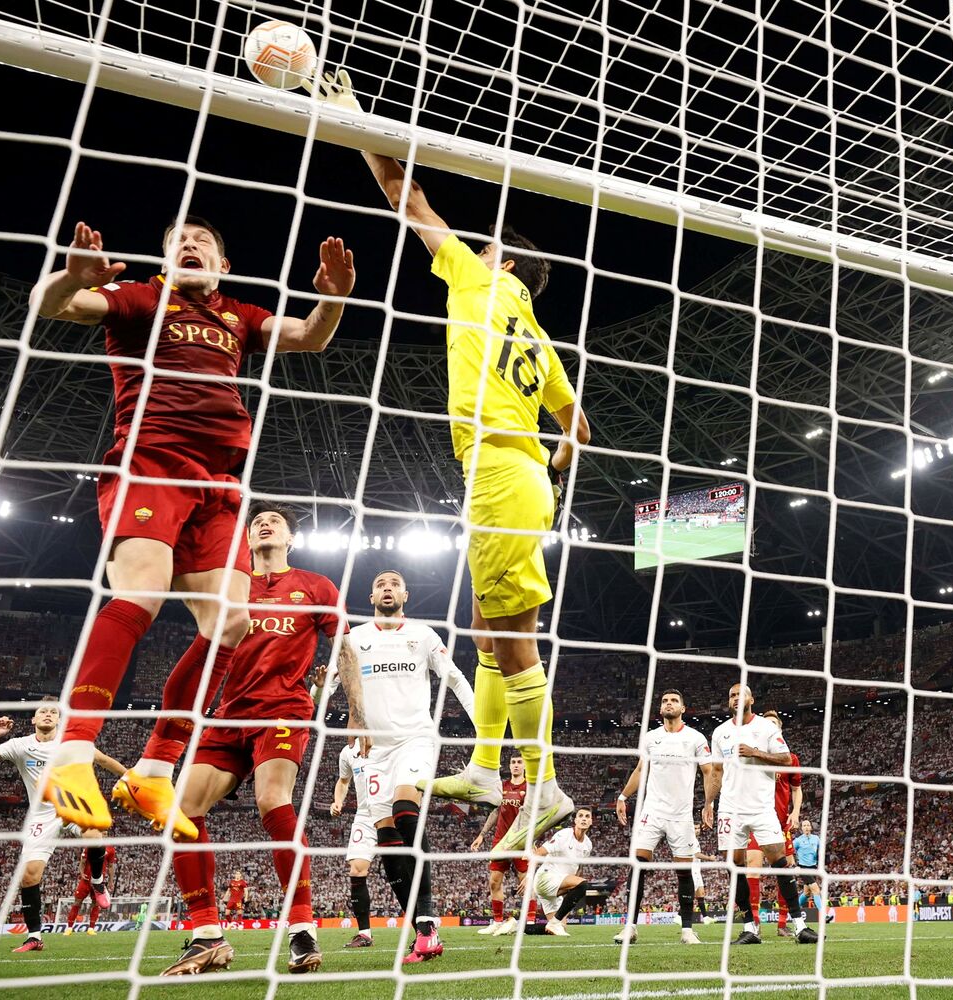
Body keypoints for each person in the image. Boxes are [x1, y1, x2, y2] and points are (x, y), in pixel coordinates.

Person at [312, 72, 592, 845]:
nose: (477, 248)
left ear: (504, 263)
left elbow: (407, 198)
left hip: (499, 472)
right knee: (482, 627)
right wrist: (549, 465)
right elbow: (578, 426)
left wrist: (352, 118)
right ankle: (485, 765)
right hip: (518, 475)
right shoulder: (539, 337)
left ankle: (543, 788)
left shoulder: (479, 282)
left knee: (515, 638)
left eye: (488, 247)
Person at [31, 218, 355, 840]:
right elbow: (54, 305)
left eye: (202, 240)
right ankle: (71, 752)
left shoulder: (238, 315)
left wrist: (334, 297)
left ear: (222, 263)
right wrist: (70, 276)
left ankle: (154, 769)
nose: (189, 245)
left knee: (232, 621)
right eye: (177, 240)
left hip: (220, 483)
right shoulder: (143, 299)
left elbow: (310, 336)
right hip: (151, 463)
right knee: (142, 592)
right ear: (165, 259)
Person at [160, 502, 367, 976]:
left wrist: (357, 711)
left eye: (274, 521)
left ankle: (301, 930)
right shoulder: (230, 587)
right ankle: (207, 934)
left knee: (272, 800)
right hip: (228, 715)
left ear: (291, 538)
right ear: (247, 539)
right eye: (256, 522)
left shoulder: (315, 586)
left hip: (284, 710)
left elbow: (345, 649)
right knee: (182, 811)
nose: (264, 524)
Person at [345, 569, 478, 964]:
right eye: (380, 584)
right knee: (387, 838)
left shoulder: (423, 636)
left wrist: (484, 730)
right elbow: (328, 687)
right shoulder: (354, 638)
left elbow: (456, 680)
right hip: (372, 751)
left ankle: (428, 915)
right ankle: (423, 930)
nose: (387, 588)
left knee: (406, 810)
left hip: (415, 739)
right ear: (371, 598)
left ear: (406, 594)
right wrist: (319, 688)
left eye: (394, 584)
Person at [0, 702, 126, 953]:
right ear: (33, 719)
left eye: (53, 712)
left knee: (95, 833)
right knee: (29, 876)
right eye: (42, 711)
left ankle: (97, 880)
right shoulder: (20, 745)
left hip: (72, 807)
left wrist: (132, 779)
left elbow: (104, 760)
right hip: (41, 817)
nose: (48, 714)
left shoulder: (71, 743)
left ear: (59, 720)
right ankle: (34, 937)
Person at [707, 683, 817, 945]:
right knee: (735, 867)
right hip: (730, 809)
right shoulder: (720, 732)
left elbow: (787, 759)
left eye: (741, 694)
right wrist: (708, 802)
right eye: (732, 695)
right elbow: (717, 772)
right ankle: (750, 928)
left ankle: (800, 926)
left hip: (761, 808)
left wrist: (755, 752)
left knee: (780, 862)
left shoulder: (766, 728)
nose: (736, 698)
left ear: (751, 699)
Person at [614, 689, 716, 945]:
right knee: (638, 865)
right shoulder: (650, 738)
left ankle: (687, 930)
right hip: (652, 811)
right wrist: (623, 797)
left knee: (684, 871)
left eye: (674, 701)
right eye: (665, 701)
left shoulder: (695, 738)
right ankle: (630, 927)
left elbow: (708, 771)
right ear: (660, 709)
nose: (669, 704)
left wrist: (709, 803)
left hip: (681, 815)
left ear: (683, 708)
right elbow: (641, 769)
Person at [470, 754, 537, 936]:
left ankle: (530, 922)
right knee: (494, 881)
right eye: (513, 762)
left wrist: (533, 841)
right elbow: (495, 812)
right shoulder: (502, 786)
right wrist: (482, 835)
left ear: (524, 766)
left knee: (526, 882)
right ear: (509, 765)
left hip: (521, 840)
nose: (516, 765)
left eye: (519, 762)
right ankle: (497, 922)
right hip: (500, 840)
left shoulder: (529, 788)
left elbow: (535, 817)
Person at [331, 736, 383, 947]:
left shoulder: (387, 741)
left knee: (401, 871)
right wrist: (338, 801)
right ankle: (364, 934)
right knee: (356, 870)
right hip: (364, 815)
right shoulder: (348, 752)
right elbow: (344, 781)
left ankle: (423, 928)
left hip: (389, 812)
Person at [758, 712, 802, 937]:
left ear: (780, 730)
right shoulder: (754, 755)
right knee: (752, 868)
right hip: (756, 819)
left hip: (781, 823)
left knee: (786, 869)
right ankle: (753, 924)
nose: (770, 727)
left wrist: (795, 812)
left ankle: (783, 924)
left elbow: (796, 789)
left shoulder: (790, 759)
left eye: (773, 724)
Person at [531, 808, 597, 936]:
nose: (584, 819)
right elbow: (539, 852)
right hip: (546, 878)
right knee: (583, 885)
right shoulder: (564, 835)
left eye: (587, 816)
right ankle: (554, 922)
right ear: (575, 820)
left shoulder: (588, 845)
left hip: (558, 886)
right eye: (581, 816)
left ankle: (516, 927)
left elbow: (578, 868)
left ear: (591, 821)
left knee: (558, 929)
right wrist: (528, 876)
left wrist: (572, 889)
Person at [63, 842, 117, 934]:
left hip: (98, 882)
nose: (104, 835)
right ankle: (69, 928)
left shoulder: (110, 848)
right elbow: (82, 862)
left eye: (105, 834)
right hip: (86, 880)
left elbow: (111, 866)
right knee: (77, 902)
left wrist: (111, 881)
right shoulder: (90, 845)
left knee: (96, 903)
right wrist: (81, 873)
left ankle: (91, 929)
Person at [792, 819, 821, 905]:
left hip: (813, 867)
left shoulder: (816, 838)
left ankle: (795, 909)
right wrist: (794, 864)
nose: (806, 827)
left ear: (811, 827)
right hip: (803, 868)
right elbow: (789, 851)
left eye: (808, 825)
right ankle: (823, 912)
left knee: (807, 893)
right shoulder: (798, 841)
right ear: (801, 828)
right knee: (816, 890)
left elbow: (821, 850)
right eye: (804, 826)